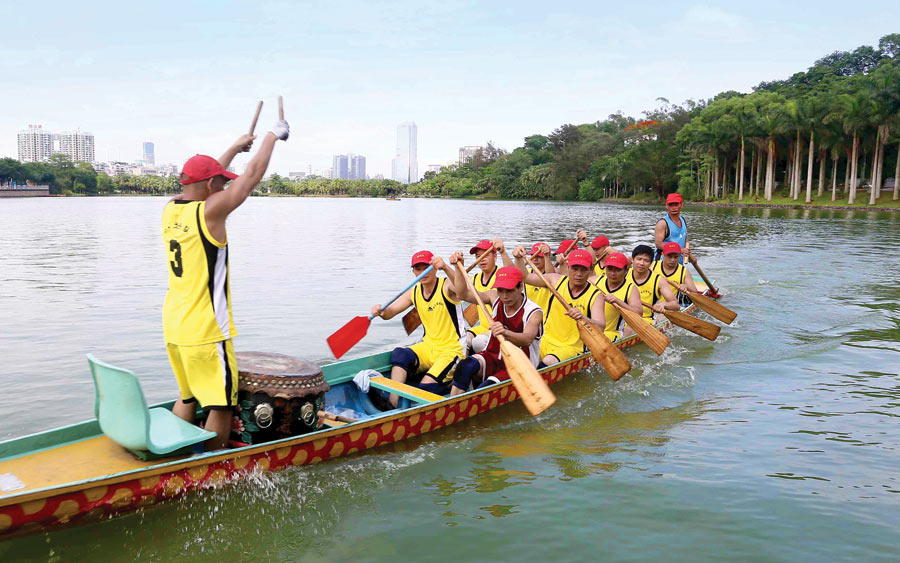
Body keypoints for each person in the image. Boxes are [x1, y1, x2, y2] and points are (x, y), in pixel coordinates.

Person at [163, 118, 290, 450]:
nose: (222, 187)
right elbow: (248, 179)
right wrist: (272, 136)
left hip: (175, 327)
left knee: (188, 396)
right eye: (219, 183)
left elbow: (204, 178)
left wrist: (234, 147)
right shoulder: (211, 213)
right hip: (206, 331)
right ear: (210, 187)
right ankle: (214, 472)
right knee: (221, 403)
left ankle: (175, 457)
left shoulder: (170, 210)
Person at [370, 251, 466, 407]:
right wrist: (381, 312)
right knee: (399, 354)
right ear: (413, 271)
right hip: (429, 347)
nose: (422, 273)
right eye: (417, 269)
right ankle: (392, 403)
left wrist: (447, 268)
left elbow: (463, 289)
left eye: (426, 267)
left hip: (452, 350)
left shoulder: (447, 286)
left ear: (434, 268)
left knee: (426, 388)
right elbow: (390, 312)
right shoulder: (413, 292)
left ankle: (453, 382)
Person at [446, 262, 542, 395]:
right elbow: (463, 294)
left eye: (509, 290)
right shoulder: (493, 297)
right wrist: (458, 268)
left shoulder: (534, 311)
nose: (504, 296)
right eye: (500, 290)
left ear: (520, 287)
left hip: (519, 366)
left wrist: (505, 332)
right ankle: (453, 404)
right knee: (465, 366)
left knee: (485, 389)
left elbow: (527, 339)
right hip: (492, 356)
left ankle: (472, 399)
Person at [515, 247, 606, 366]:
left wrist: (583, 317)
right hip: (545, 341)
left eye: (583, 269)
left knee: (547, 362)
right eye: (575, 268)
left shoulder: (596, 295)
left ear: (591, 269)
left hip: (571, 348)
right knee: (515, 357)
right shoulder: (554, 280)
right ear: (568, 267)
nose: (578, 274)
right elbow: (525, 278)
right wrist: (518, 259)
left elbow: (601, 327)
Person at [595, 252, 644, 342]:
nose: (613, 273)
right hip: (592, 330)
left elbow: (639, 314)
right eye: (610, 269)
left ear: (626, 271)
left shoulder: (631, 289)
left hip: (613, 333)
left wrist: (618, 301)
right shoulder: (595, 281)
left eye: (617, 270)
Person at [627, 244, 679, 327]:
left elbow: (675, 305)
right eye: (639, 259)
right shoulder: (623, 275)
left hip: (646, 320)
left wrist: (663, 304)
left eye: (646, 260)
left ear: (651, 263)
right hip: (624, 318)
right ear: (632, 260)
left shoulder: (659, 280)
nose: (641, 263)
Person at [654, 193, 690, 263]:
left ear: (681, 205)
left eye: (676, 204)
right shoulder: (662, 223)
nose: (674, 208)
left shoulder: (683, 220)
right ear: (667, 206)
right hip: (662, 263)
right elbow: (658, 244)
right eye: (671, 205)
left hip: (677, 262)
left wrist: (689, 255)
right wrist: (680, 250)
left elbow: (685, 240)